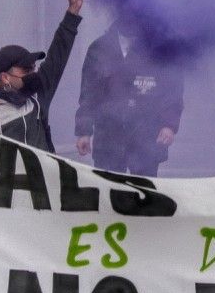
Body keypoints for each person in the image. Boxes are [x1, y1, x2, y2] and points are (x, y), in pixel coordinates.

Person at [0, 0, 84, 152]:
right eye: (26, 70)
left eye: (33, 69)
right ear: (5, 77)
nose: (33, 75)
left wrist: (73, 10)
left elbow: (57, 57)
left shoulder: (37, 101)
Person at [75, 14, 186, 177]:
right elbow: (88, 93)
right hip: (108, 137)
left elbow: (173, 91)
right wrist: (84, 131)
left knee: (144, 194)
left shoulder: (160, 50)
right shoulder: (99, 48)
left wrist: (168, 125)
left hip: (146, 136)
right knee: (109, 191)